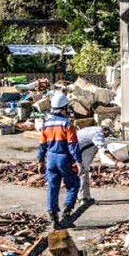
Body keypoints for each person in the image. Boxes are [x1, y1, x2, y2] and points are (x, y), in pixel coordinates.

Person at [37, 91, 82, 229]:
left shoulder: (46, 124)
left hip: (50, 158)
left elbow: (42, 145)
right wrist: (78, 161)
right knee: (74, 184)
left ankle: (53, 217)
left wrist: (40, 161)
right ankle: (67, 212)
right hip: (63, 158)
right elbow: (72, 145)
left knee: (53, 187)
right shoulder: (67, 124)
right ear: (64, 108)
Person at [76, 120, 121, 205]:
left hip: (79, 152)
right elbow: (104, 151)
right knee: (82, 174)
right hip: (77, 153)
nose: (108, 135)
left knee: (84, 173)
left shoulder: (94, 129)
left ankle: (86, 197)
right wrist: (116, 162)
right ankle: (82, 198)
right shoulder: (98, 134)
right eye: (109, 133)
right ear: (106, 130)